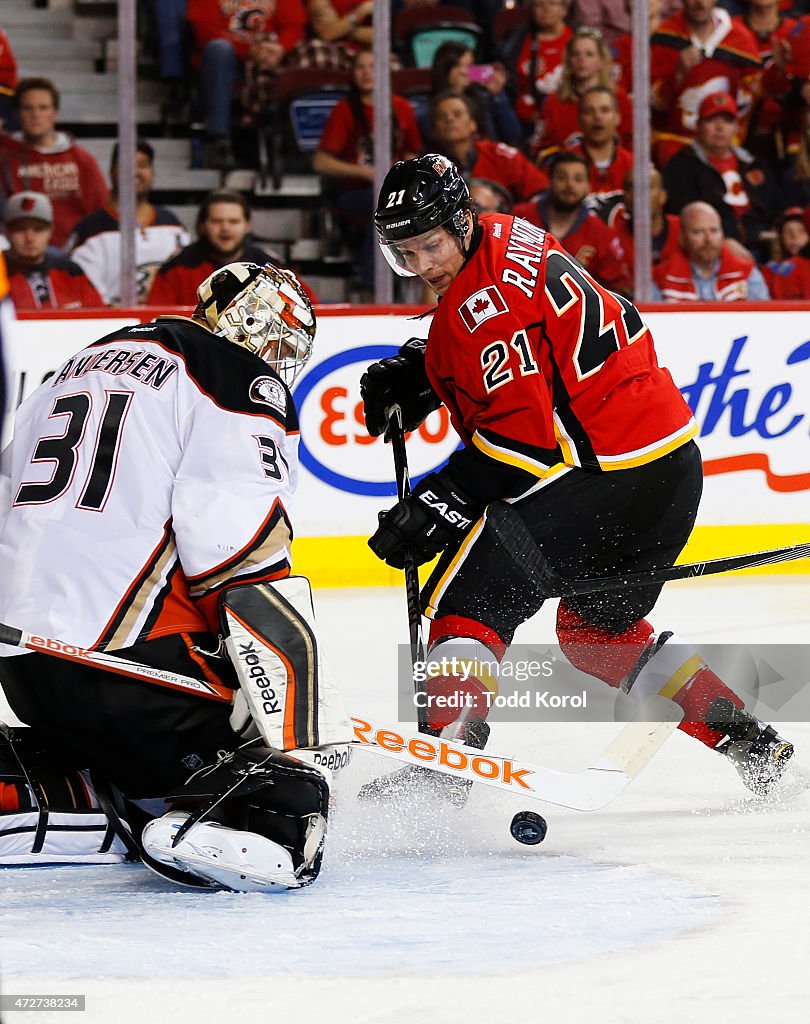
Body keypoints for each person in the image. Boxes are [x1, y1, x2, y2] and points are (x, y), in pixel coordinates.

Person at [358, 152, 793, 804]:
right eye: (406, 253)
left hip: (602, 474)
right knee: (598, 635)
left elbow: (521, 444)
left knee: (468, 607)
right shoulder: (509, 232)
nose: (422, 266)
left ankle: (443, 769)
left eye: (431, 245)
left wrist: (439, 501)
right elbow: (529, 328)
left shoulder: (482, 307)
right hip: (670, 466)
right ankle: (753, 746)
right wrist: (427, 361)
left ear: (458, 221)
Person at [0, 260, 352, 891]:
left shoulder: (82, 361)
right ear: (248, 322)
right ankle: (194, 819)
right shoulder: (236, 378)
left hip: (24, 666)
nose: (278, 360)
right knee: (290, 796)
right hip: (131, 672)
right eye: (278, 340)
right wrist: (296, 730)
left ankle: (56, 788)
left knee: (111, 749)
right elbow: (243, 569)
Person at [313, 47, 423, 290]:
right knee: (381, 208)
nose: (366, 73)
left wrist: (399, 169)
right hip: (352, 193)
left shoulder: (401, 107)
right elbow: (321, 161)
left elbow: (411, 151)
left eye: (373, 67)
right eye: (361, 67)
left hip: (394, 192)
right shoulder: (345, 110)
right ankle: (369, 286)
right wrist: (366, 173)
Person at [186, 0, 308, 170]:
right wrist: (248, 50)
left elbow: (294, 27)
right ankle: (219, 141)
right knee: (219, 48)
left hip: (271, 58)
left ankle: (295, 148)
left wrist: (280, 48)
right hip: (228, 62)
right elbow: (205, 33)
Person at [68, 140, 190, 305]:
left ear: (153, 173)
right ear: (112, 172)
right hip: (112, 326)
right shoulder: (90, 229)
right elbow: (85, 293)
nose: (135, 172)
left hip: (164, 324)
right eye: (127, 164)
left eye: (143, 165)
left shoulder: (172, 225)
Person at [661, 91, 779, 261]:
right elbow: (684, 216)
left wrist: (786, 227)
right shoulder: (682, 165)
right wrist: (724, 241)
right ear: (698, 125)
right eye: (711, 120)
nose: (720, 127)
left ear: (737, 127)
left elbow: (778, 207)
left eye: (727, 121)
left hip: (764, 245)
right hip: (710, 250)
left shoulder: (754, 164)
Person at [147, 188, 317, 306]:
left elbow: (311, 309)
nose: (225, 228)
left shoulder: (271, 269)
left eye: (233, 221)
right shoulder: (177, 270)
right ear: (203, 225)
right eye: (216, 221)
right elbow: (158, 321)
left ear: (247, 225)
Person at [650, 0, 762, 166]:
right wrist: (678, 75)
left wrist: (780, 72)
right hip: (675, 143)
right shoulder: (665, 36)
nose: (700, 3)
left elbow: (752, 99)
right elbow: (653, 105)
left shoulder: (741, 39)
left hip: (725, 146)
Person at [0, 78, 109, 248]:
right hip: (20, 252)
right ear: (18, 114)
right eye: (28, 108)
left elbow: (101, 212)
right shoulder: (5, 158)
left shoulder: (81, 159)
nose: (36, 115)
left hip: (76, 253)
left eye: (43, 108)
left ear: (55, 113)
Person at [513, 151, 630, 294]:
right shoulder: (520, 218)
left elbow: (617, 288)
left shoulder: (600, 233)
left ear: (588, 186)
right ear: (549, 181)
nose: (569, 185)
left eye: (578, 179)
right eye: (562, 178)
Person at [430, 91, 549, 204]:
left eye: (457, 114)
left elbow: (540, 191)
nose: (449, 119)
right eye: (442, 116)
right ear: (434, 130)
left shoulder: (501, 155)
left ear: (473, 124)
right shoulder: (428, 169)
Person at [533, 26, 633, 160]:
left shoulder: (620, 99)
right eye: (576, 54)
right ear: (569, 61)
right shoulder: (554, 102)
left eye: (589, 54)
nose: (582, 60)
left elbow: (632, 146)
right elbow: (541, 150)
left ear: (601, 61)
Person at [3, 191, 104, 311]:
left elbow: (99, 316)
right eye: (20, 229)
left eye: (38, 229)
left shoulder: (71, 272)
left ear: (51, 231)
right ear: (7, 232)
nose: (30, 238)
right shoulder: (1, 272)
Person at [652, 200, 771, 300]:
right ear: (682, 237)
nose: (708, 240)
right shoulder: (659, 278)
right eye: (698, 232)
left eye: (714, 231)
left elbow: (763, 322)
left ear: (722, 234)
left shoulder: (747, 274)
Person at [424, 40, 523, 147]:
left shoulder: (485, 99)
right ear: (444, 68)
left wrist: (498, 95)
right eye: (458, 66)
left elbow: (514, 135)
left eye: (469, 65)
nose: (465, 72)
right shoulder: (428, 107)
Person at [565, 85, 633, 205]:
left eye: (605, 110)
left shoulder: (633, 165)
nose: (597, 117)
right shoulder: (564, 164)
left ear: (618, 118)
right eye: (589, 111)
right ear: (579, 120)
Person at [760, 206, 810, 299]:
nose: (795, 237)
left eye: (801, 231)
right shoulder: (770, 269)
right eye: (788, 232)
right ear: (781, 238)